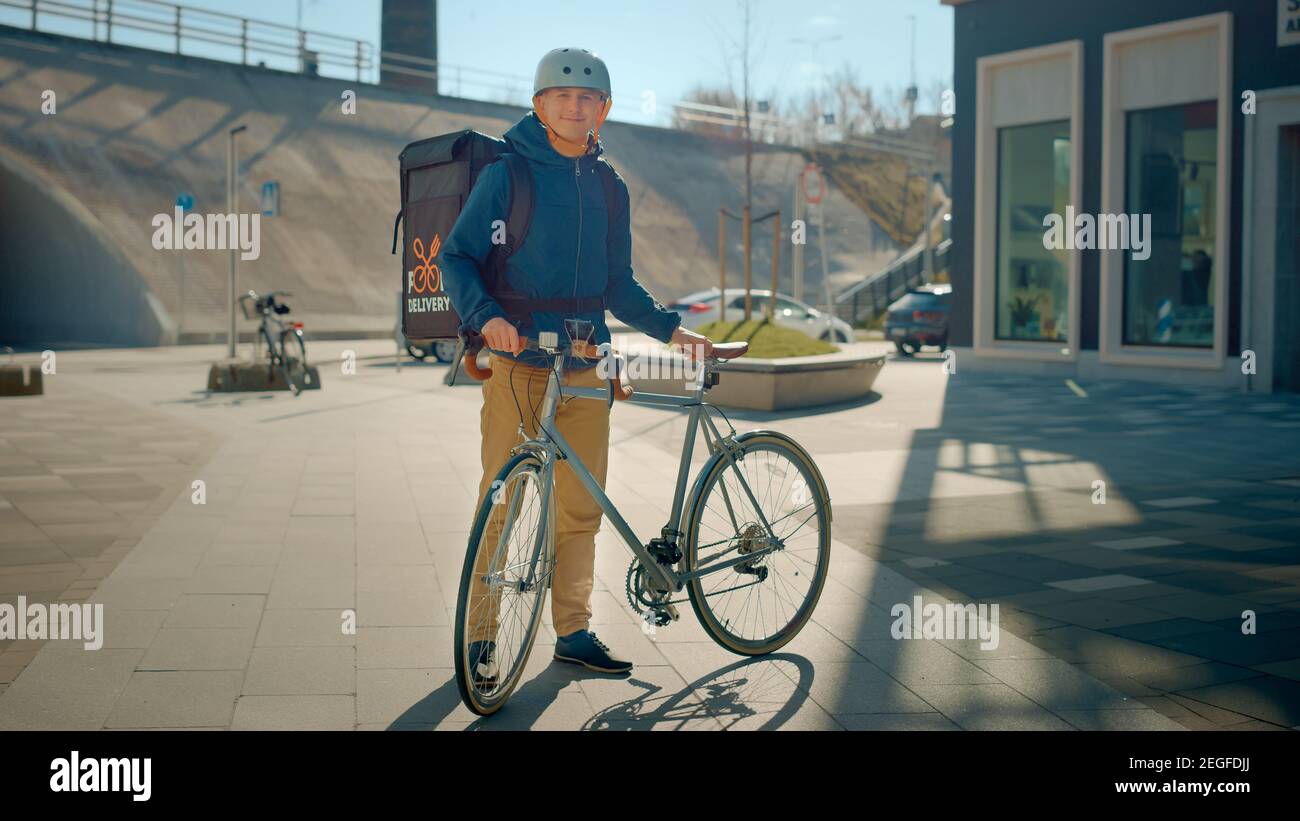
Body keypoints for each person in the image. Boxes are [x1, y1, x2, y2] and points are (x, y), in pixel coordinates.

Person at [439, 47, 714, 681]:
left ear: (604, 111)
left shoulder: (610, 185)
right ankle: (482, 634)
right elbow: (457, 257)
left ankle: (574, 630)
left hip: (589, 366)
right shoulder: (507, 177)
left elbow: (618, 282)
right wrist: (487, 318)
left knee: (580, 508)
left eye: (588, 98)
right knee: (501, 501)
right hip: (520, 366)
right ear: (538, 105)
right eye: (561, 96)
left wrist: (673, 331)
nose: (574, 105)